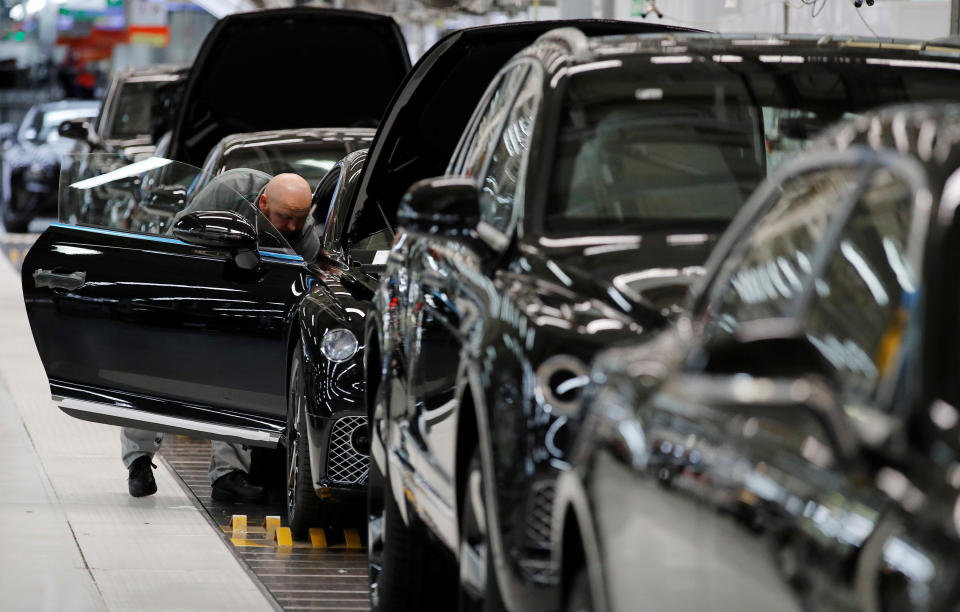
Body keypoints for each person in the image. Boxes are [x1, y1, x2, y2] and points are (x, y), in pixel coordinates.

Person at [125, 172, 315, 501]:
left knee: (238, 373)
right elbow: (178, 247)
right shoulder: (229, 193)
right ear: (264, 202)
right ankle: (139, 462)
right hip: (196, 283)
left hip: (249, 302)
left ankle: (228, 476)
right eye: (286, 218)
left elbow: (308, 277)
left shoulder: (300, 225)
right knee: (153, 363)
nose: (294, 228)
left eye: (300, 219)